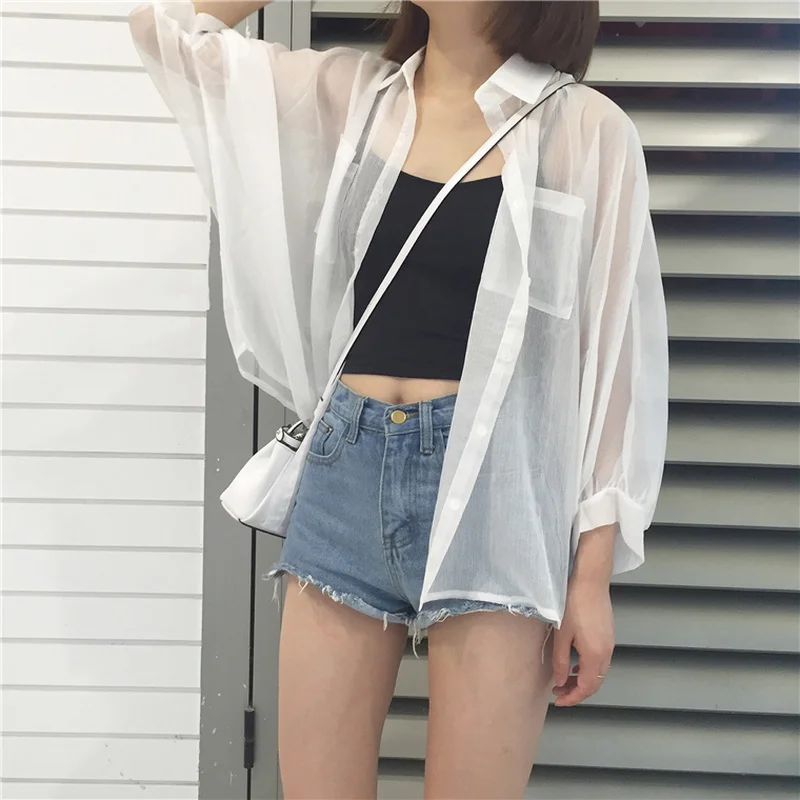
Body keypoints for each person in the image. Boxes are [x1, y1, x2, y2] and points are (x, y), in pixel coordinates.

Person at [131, 1, 668, 796]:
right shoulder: (355, 97)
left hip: (498, 495)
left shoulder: (585, 130)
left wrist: (592, 578)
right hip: (345, 472)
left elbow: (613, 361)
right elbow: (166, 28)